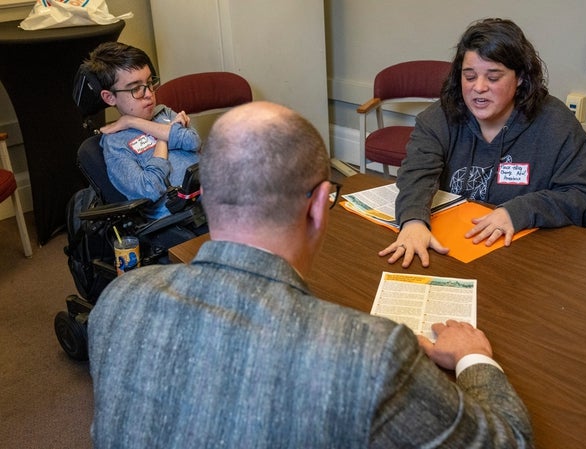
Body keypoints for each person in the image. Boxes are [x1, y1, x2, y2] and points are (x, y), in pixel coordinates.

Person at [88, 101, 533, 448]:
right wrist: (474, 358)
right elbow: (508, 440)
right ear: (320, 205)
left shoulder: (120, 298)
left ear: (206, 195)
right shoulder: (371, 355)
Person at [380, 18, 586, 268]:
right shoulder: (440, 116)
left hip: (526, 260)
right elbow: (416, 175)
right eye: (469, 76)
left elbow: (582, 197)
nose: (478, 88)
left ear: (520, 78)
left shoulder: (556, 123)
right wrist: (413, 221)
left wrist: (517, 212)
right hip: (453, 252)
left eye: (493, 77)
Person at [81, 42, 201, 219]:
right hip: (181, 217)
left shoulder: (164, 113)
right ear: (110, 97)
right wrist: (163, 137)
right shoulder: (115, 144)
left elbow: (193, 141)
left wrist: (133, 122)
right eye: (136, 88)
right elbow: (148, 189)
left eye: (150, 82)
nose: (149, 94)